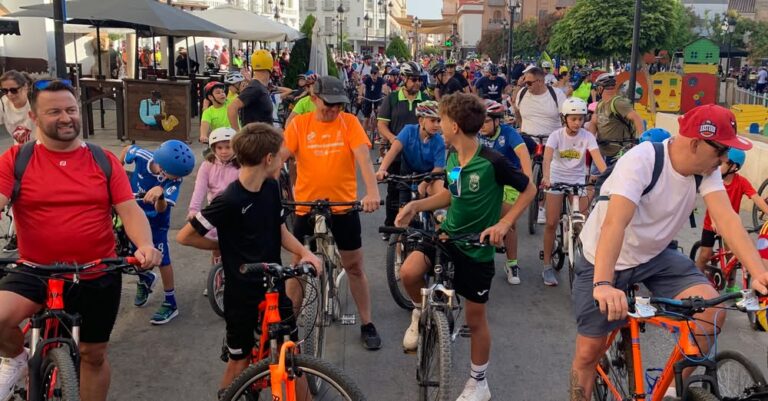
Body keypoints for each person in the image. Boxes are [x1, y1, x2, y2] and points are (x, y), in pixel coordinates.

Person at [569, 104, 768, 400]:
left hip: (654, 256)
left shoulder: (705, 169)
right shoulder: (642, 161)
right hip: (604, 257)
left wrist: (760, 274)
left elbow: (727, 220)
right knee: (587, 355)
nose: (725, 160)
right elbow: (614, 225)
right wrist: (603, 285)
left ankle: (669, 391)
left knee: (710, 313)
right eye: (721, 152)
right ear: (696, 143)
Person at [0, 80, 162, 401]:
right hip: (35, 270)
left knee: (93, 354)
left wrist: (145, 245)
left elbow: (129, 211)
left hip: (96, 272)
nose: (66, 117)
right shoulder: (16, 159)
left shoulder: (103, 160)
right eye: (55, 111)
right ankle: (15, 358)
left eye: (71, 109)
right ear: (33, 116)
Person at [395, 93, 535, 401]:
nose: (439, 126)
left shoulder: (492, 161)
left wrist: (504, 224)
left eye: (442, 120)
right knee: (408, 273)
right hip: (447, 236)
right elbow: (450, 195)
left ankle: (478, 383)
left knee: (475, 318)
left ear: (454, 125)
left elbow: (529, 189)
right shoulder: (452, 157)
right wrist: (416, 204)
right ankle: (421, 313)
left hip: (477, 247)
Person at [176, 123, 321, 398]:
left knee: (293, 360)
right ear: (268, 159)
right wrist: (222, 246)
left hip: (275, 288)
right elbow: (185, 236)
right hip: (241, 294)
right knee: (239, 362)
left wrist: (306, 253)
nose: (283, 160)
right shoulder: (228, 199)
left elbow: (280, 231)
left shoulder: (270, 188)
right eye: (280, 156)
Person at [282, 76, 383, 350]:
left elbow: (363, 157)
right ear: (313, 98)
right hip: (305, 206)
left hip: (344, 206)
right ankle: (289, 322)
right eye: (329, 105)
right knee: (297, 266)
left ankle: (366, 322)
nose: (334, 110)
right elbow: (279, 157)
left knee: (354, 266)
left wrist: (372, 192)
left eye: (339, 105)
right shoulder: (300, 125)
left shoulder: (349, 123)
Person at [120, 140, 195, 325]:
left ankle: (171, 302)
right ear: (161, 165)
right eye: (172, 174)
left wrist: (160, 194)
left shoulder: (173, 180)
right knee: (132, 254)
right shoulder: (142, 156)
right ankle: (145, 278)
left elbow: (162, 209)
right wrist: (119, 170)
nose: (175, 178)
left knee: (162, 259)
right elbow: (128, 149)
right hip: (133, 216)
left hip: (156, 223)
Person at [540, 98, 606, 286]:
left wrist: (609, 175)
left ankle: (582, 256)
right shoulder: (556, 136)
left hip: (577, 181)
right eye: (574, 119)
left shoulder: (587, 136)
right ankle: (546, 266)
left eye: (581, 119)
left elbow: (599, 160)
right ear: (564, 118)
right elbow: (547, 159)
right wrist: (546, 177)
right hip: (556, 180)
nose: (578, 123)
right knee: (551, 223)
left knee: (582, 221)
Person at [478, 99, 532, 285]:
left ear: (497, 121)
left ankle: (512, 263)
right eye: (479, 121)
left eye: (485, 121)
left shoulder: (509, 133)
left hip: (508, 181)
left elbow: (524, 156)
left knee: (509, 220)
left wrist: (529, 182)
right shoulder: (474, 134)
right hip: (483, 181)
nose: (481, 125)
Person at [694, 148, 768, 281]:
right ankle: (694, 278)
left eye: (723, 164)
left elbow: (756, 198)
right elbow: (712, 206)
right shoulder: (715, 181)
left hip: (730, 226)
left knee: (732, 257)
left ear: (734, 167)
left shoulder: (741, 182)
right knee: (705, 254)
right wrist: (714, 221)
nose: (718, 166)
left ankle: (730, 285)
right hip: (711, 224)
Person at [377, 62, 429, 236]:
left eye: (419, 80)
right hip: (397, 153)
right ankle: (391, 226)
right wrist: (393, 139)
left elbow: (437, 122)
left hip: (421, 153)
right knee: (395, 191)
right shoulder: (392, 98)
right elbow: (382, 125)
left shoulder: (427, 99)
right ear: (404, 79)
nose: (417, 83)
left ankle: (423, 225)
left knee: (425, 188)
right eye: (413, 79)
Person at [513, 66, 566, 224]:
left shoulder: (556, 95)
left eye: (529, 83)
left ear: (541, 81)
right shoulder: (522, 94)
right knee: (520, 165)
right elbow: (517, 111)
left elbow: (565, 117)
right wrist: (520, 126)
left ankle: (542, 206)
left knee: (548, 169)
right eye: (524, 82)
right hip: (529, 137)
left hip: (551, 138)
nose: (526, 85)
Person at [187, 127, 239, 270]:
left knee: (237, 248)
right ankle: (216, 278)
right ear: (213, 149)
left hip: (237, 211)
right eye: (219, 147)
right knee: (216, 248)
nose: (224, 151)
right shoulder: (207, 166)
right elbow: (199, 189)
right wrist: (193, 210)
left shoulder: (241, 166)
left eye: (228, 147)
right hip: (215, 210)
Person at [375, 100, 446, 202]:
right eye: (432, 120)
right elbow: (393, 150)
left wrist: (424, 184)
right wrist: (382, 169)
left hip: (429, 177)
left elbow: (438, 169)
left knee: (435, 204)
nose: (436, 125)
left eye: (439, 121)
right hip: (407, 176)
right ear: (421, 121)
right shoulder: (408, 131)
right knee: (403, 212)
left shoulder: (439, 141)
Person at [587, 73, 645, 176]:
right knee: (594, 181)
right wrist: (591, 143)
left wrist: (642, 141)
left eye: (596, 88)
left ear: (600, 88)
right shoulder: (601, 103)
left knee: (612, 183)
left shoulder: (618, 103)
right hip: (601, 152)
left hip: (618, 154)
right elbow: (593, 123)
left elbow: (637, 118)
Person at [228, 50, 274, 128]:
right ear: (271, 67)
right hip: (256, 138)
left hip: (262, 137)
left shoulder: (257, 86)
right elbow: (232, 108)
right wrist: (237, 133)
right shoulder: (255, 88)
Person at [0, 71, 34, 145]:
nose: (9, 94)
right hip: (21, 149)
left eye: (13, 90)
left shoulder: (35, 102)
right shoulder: (3, 103)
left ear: (25, 87)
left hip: (42, 148)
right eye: (5, 91)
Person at [358, 66, 385, 132]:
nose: (373, 74)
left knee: (378, 115)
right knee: (366, 118)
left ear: (378, 73)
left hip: (377, 99)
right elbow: (362, 86)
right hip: (368, 99)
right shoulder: (368, 79)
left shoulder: (381, 80)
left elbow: (385, 87)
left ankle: (374, 131)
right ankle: (363, 134)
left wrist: (386, 94)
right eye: (372, 73)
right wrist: (360, 96)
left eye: (375, 73)